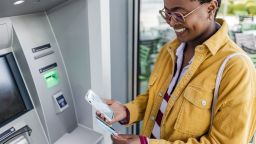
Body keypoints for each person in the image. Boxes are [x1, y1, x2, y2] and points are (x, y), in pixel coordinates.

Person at [98, 0, 256, 143]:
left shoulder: (236, 68)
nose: (172, 22)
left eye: (179, 14)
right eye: (167, 13)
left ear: (211, 8)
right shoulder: (170, 50)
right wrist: (126, 111)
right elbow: (158, 98)